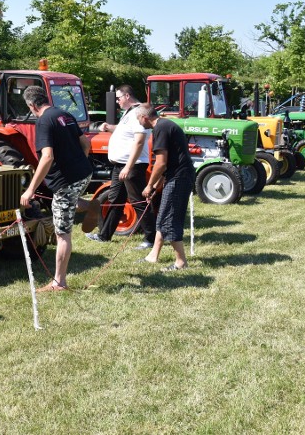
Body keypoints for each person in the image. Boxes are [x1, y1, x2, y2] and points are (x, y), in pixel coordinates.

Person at [19, 85, 100, 292]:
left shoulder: (44, 121)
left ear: (31, 105)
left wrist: (30, 190)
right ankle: (91, 206)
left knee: (62, 233)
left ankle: (59, 282)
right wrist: (78, 162)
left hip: (67, 181)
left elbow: (47, 157)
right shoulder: (65, 115)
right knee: (65, 202)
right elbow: (86, 144)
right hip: (84, 173)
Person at [85, 85, 155, 249]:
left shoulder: (139, 111)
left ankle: (151, 238)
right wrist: (110, 128)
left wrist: (128, 167)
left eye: (118, 98)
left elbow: (139, 140)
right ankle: (104, 235)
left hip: (132, 165)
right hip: (120, 165)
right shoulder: (129, 112)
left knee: (138, 201)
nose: (117, 101)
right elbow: (126, 130)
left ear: (127, 96)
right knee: (115, 200)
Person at [136, 105, 195, 271]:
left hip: (179, 178)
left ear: (144, 117)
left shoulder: (160, 129)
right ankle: (153, 255)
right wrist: (156, 185)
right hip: (177, 176)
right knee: (162, 216)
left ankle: (181, 262)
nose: (138, 123)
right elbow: (171, 161)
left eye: (138, 119)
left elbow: (161, 163)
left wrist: (148, 186)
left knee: (170, 220)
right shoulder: (165, 124)